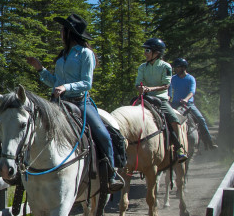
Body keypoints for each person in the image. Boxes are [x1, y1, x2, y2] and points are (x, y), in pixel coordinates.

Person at [26, 13, 124, 192]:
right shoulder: (63, 55)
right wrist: (40, 69)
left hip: (80, 102)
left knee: (103, 133)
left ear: (70, 32)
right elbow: (56, 82)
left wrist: (66, 87)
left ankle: (112, 173)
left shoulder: (86, 54)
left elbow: (87, 83)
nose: (61, 32)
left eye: (63, 29)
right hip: (59, 103)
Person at [135, 38, 188, 161]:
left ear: (157, 53)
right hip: (145, 98)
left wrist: (150, 89)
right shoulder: (142, 67)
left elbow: (166, 85)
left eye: (147, 50)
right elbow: (138, 83)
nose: (145, 53)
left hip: (161, 99)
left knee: (174, 120)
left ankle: (179, 148)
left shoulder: (166, 67)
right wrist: (140, 87)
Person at [169, 58, 217, 150]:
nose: (176, 69)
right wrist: (168, 97)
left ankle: (209, 141)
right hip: (175, 104)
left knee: (201, 119)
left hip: (188, 104)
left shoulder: (190, 78)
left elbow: (192, 91)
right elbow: (169, 90)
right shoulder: (173, 79)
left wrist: (186, 99)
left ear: (183, 67)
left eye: (178, 67)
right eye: (175, 67)